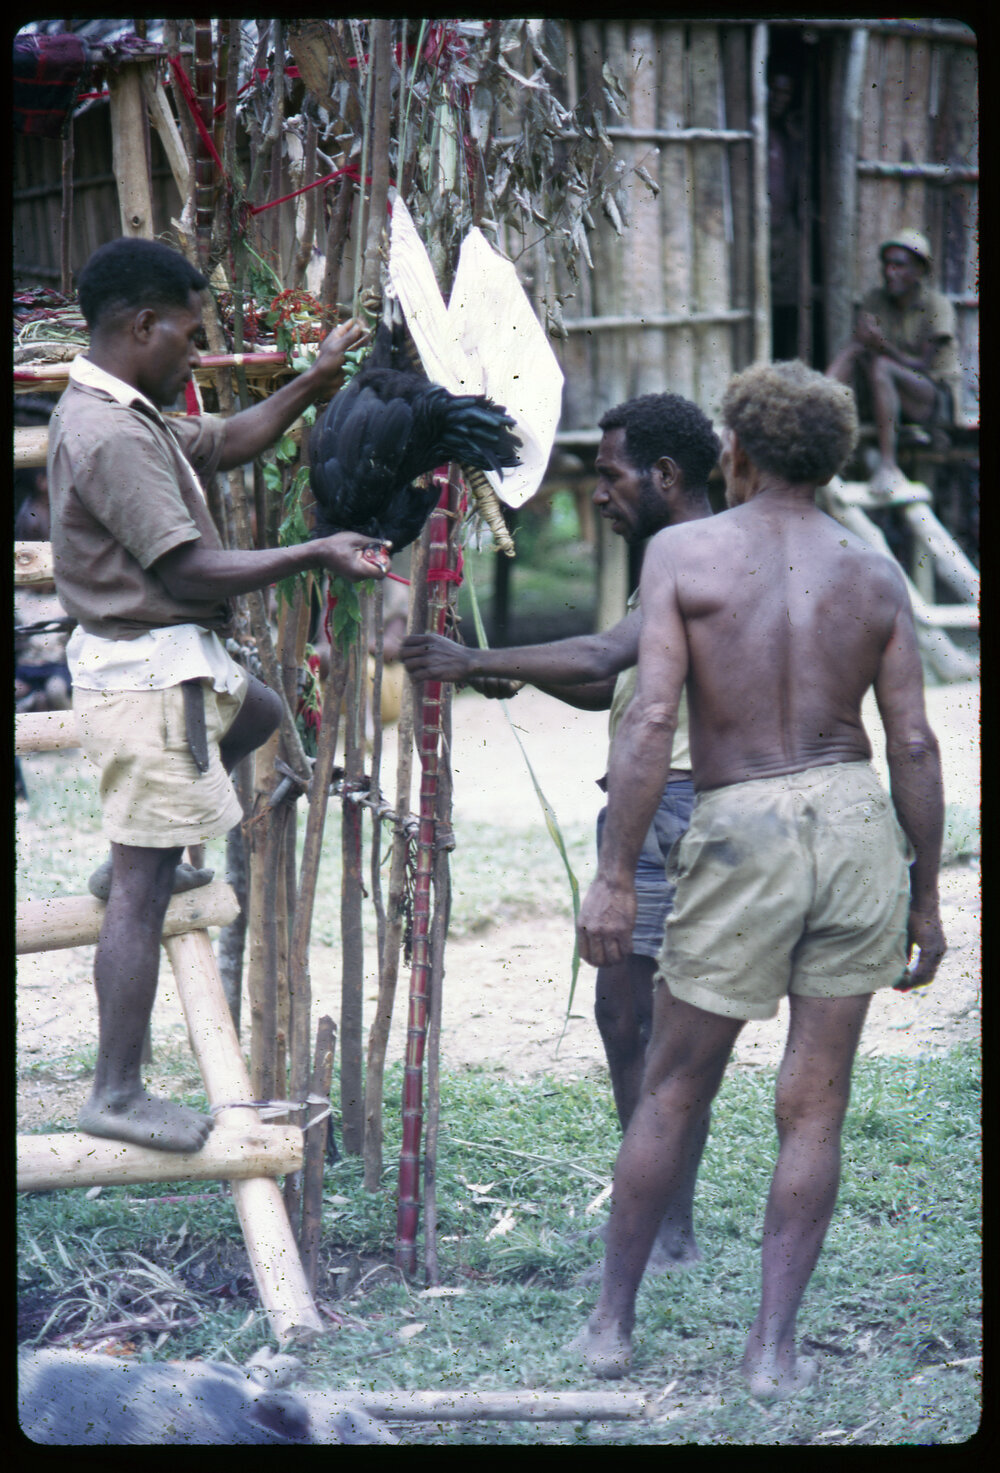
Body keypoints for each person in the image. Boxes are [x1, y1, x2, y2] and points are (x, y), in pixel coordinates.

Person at [570, 360, 946, 1397]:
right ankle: (772, 1352)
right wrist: (925, 896)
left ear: (732, 450)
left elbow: (649, 720)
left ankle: (610, 1325)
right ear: (827, 461)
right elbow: (911, 743)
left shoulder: (685, 553)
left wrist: (614, 877)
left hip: (741, 825)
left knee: (673, 1086)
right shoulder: (872, 574)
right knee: (813, 1109)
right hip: (856, 817)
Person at [47, 236, 391, 1153]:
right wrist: (317, 551)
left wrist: (317, 382)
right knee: (142, 889)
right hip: (151, 677)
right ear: (141, 324)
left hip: (180, 665)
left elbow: (231, 440)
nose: (197, 357)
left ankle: (143, 856)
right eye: (190, 339)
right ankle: (116, 1090)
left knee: (265, 714)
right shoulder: (110, 434)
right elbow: (194, 569)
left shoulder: (130, 411)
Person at [401, 393, 719, 1268]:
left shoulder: (694, 555)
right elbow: (606, 682)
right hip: (650, 808)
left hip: (684, 806)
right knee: (625, 1015)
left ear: (664, 475)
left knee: (657, 1024)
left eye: (611, 477)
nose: (601, 497)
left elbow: (604, 656)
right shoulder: (664, 554)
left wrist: (477, 660)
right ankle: (657, 1213)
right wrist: (516, 674)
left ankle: (667, 1226)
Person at [826, 229, 961, 498]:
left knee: (881, 365)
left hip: (932, 398)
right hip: (887, 392)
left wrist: (883, 346)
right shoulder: (876, 299)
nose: (890, 272)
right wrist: (858, 345)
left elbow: (924, 364)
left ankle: (889, 464)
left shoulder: (937, 305)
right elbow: (861, 347)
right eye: (887, 265)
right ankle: (817, 404)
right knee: (856, 352)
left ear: (919, 270)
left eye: (899, 265)